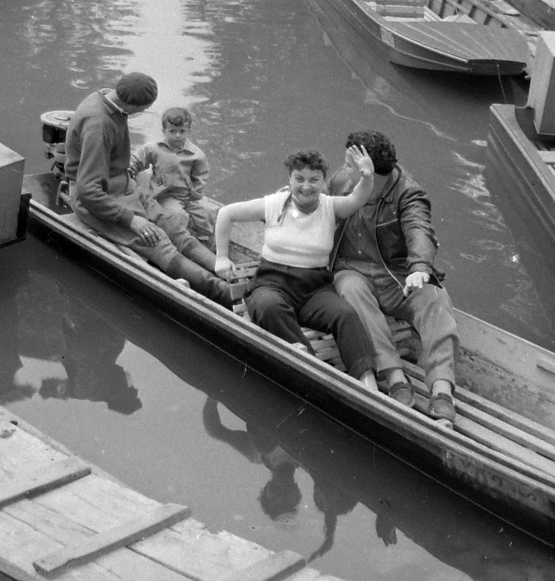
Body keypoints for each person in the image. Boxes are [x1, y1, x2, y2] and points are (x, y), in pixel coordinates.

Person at [213, 147, 381, 391]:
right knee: (269, 307)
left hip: (314, 289)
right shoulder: (272, 204)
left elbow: (358, 198)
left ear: (324, 182)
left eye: (314, 180)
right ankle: (311, 365)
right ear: (290, 179)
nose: (306, 186)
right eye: (299, 179)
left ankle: (368, 384)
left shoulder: (331, 207)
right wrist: (221, 257)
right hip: (272, 283)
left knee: (345, 315)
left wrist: (367, 176)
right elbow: (226, 214)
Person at [327, 131, 460, 429]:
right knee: (349, 289)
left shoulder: (408, 192)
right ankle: (395, 376)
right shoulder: (340, 181)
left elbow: (418, 229)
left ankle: (441, 389)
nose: (344, 171)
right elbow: (316, 211)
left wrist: (420, 266)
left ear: (370, 171)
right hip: (353, 270)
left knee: (435, 299)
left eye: (352, 165)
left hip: (397, 275)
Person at [62, 72, 229, 301]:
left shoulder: (106, 98)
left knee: (172, 225)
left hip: (124, 186)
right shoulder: (98, 125)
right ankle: (223, 292)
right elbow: (88, 191)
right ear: (131, 106)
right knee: (158, 240)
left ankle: (225, 268)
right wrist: (131, 219)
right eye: (143, 109)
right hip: (98, 199)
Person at [133, 106, 213, 245]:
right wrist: (129, 172)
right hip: (166, 194)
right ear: (164, 131)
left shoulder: (196, 154)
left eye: (182, 131)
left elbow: (201, 175)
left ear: (189, 131)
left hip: (188, 195)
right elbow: (137, 161)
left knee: (208, 214)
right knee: (178, 215)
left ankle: (204, 242)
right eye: (172, 131)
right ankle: (179, 242)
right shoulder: (154, 149)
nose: (177, 135)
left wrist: (195, 193)